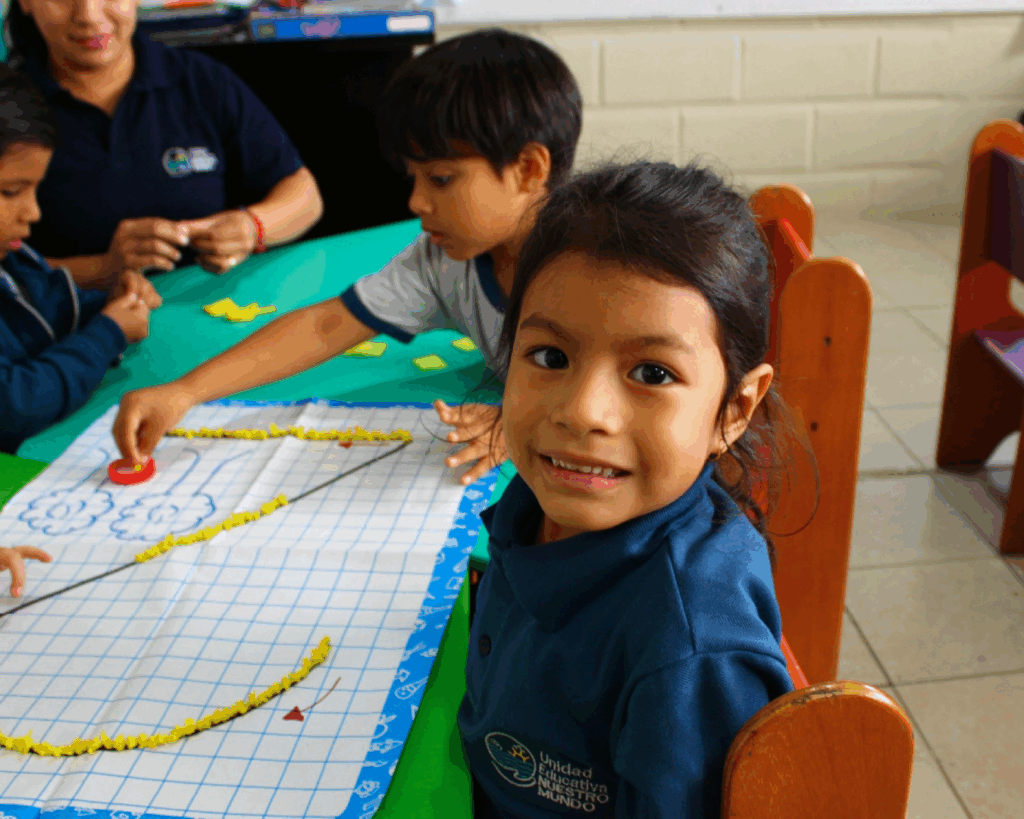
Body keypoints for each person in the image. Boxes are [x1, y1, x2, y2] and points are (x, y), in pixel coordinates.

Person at [459, 160, 799, 819]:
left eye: (652, 371)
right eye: (550, 356)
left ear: (734, 409)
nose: (585, 410)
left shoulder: (687, 649)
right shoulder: (539, 504)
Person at [110, 29, 583, 485]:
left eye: (440, 179)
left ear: (528, 169)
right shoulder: (445, 261)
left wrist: (520, 422)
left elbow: (636, 394)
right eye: (413, 177)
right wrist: (184, 391)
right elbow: (327, 325)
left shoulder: (596, 277)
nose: (416, 202)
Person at [3, 0, 323, 285]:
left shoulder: (201, 80)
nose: (88, 15)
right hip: (69, 332)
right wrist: (104, 269)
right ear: (25, 3)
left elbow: (304, 193)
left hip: (212, 309)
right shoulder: (11, 109)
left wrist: (252, 227)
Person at [0, 63, 156, 455]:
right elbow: (14, 406)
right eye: (11, 192)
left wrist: (107, 306)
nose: (33, 212)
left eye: (35, 190)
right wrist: (108, 333)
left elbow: (41, 315)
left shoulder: (10, 257)